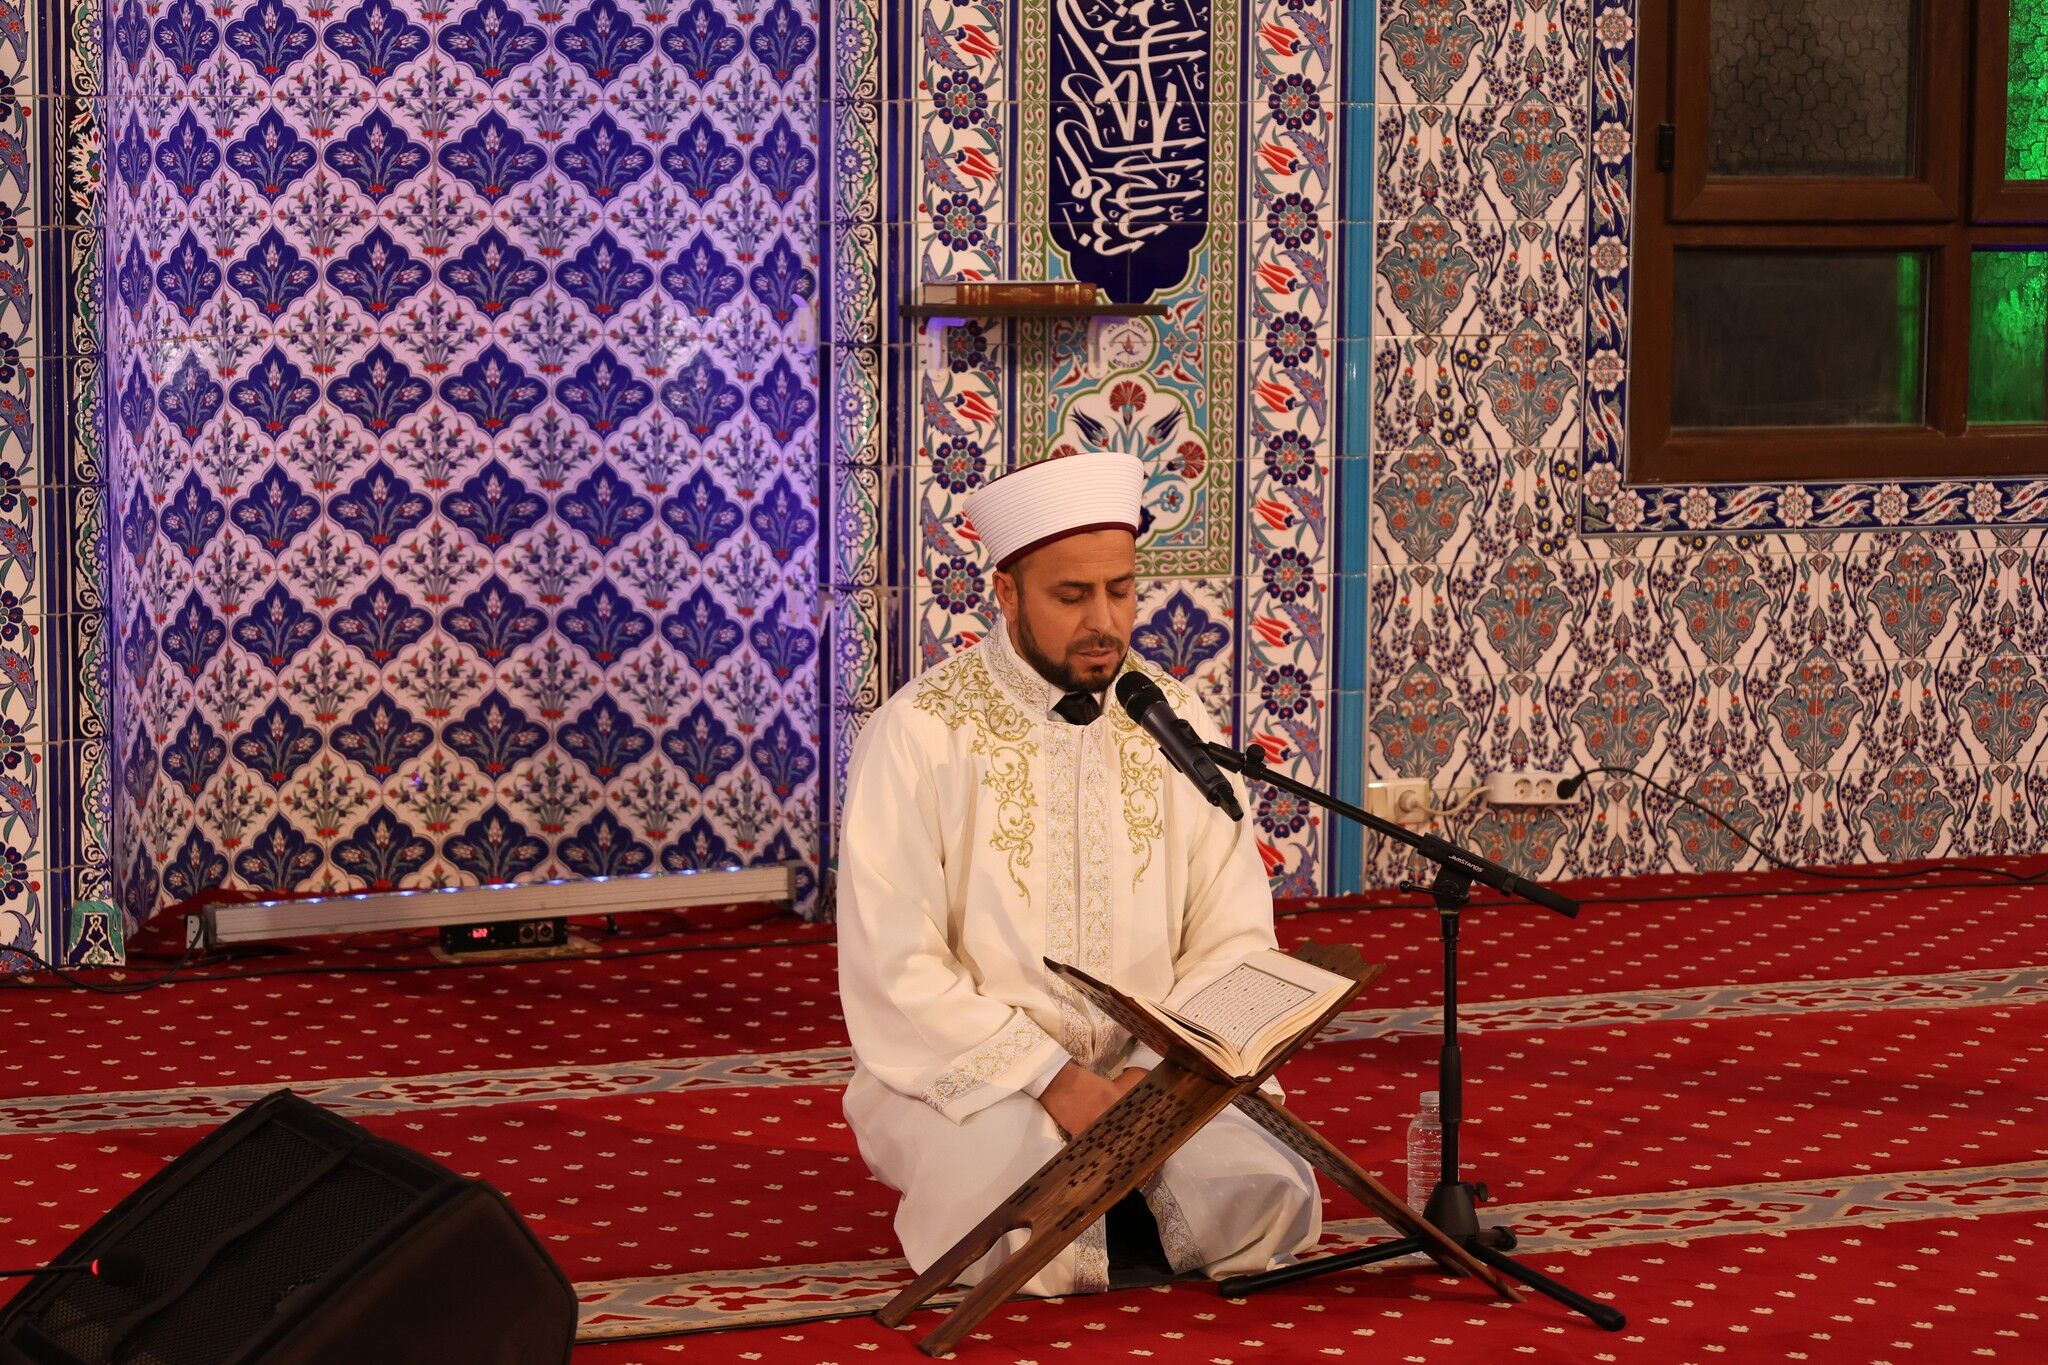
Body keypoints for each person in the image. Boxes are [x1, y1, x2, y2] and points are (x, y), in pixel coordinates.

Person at [836, 450, 1321, 1297]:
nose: (1105, 620)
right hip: (984, 1078)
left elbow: (1233, 932)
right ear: (1007, 593)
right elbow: (897, 965)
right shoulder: (916, 734)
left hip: (1155, 1071)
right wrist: (1052, 1080)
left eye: (1121, 589)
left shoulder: (1174, 720)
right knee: (1014, 1221)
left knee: (1267, 1199)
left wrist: (1143, 1077)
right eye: (1072, 595)